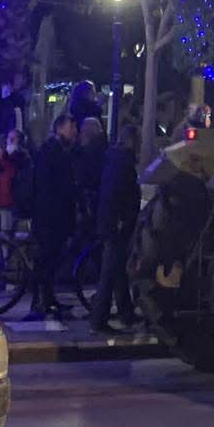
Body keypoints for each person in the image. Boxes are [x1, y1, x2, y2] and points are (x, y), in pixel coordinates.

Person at [87, 122, 142, 332]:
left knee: (117, 270)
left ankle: (126, 312)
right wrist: (121, 220)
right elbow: (120, 195)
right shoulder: (123, 163)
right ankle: (99, 319)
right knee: (109, 272)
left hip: (111, 222)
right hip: (116, 225)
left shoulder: (115, 159)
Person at [25, 113, 79, 318]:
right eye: (71, 127)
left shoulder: (56, 150)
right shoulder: (53, 151)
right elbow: (56, 186)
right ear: (59, 128)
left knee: (50, 259)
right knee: (46, 259)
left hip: (52, 216)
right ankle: (40, 301)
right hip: (50, 217)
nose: (74, 132)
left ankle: (47, 299)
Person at [74, 117, 108, 238]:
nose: (80, 134)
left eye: (83, 131)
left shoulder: (89, 152)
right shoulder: (104, 149)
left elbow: (83, 177)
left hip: (91, 204)